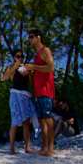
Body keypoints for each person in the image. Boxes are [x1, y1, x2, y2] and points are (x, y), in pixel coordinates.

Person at [25, 29, 55, 157]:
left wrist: (34, 67)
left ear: (38, 37)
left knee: (48, 119)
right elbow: (40, 71)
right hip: (38, 92)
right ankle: (44, 147)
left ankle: (51, 148)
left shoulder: (45, 51)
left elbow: (50, 67)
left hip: (46, 91)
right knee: (42, 121)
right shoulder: (37, 54)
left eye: (31, 37)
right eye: (29, 38)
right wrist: (30, 71)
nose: (30, 40)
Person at [2, 50, 36, 154]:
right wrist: (15, 66)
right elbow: (4, 78)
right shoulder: (10, 67)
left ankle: (27, 147)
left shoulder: (25, 67)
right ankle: (12, 148)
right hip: (15, 95)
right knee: (15, 121)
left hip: (25, 95)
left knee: (26, 122)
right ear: (14, 57)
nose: (20, 58)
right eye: (18, 56)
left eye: (22, 56)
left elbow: (31, 81)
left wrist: (29, 72)